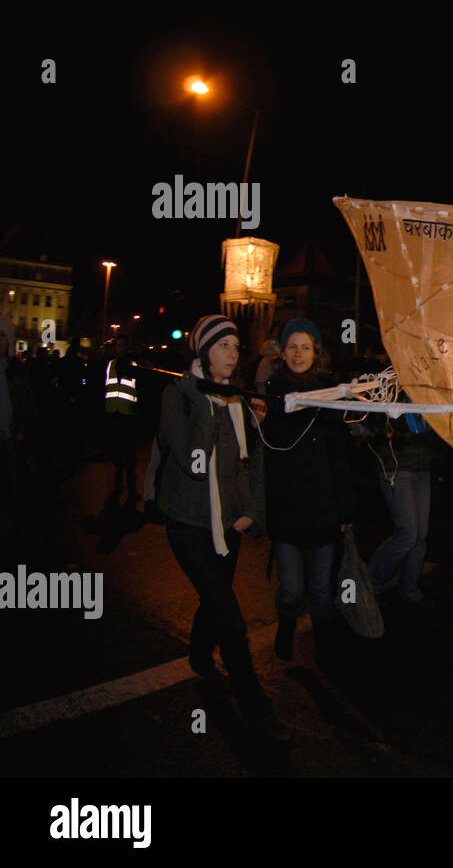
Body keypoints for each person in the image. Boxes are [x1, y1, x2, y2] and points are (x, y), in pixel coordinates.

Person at [158, 314, 289, 742]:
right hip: (188, 524)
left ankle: (198, 654)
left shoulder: (238, 400)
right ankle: (260, 715)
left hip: (228, 522)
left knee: (214, 601)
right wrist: (208, 405)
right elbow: (193, 462)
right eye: (222, 346)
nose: (233, 354)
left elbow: (252, 465)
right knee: (229, 616)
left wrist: (252, 510)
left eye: (235, 346)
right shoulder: (177, 395)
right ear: (202, 352)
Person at [261, 318, 355, 664]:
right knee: (291, 589)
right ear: (282, 352)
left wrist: (345, 512)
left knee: (320, 589)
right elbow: (265, 453)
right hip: (286, 508)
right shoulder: (270, 392)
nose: (298, 353)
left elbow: (339, 458)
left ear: (316, 352)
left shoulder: (331, 393)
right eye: (291, 346)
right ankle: (286, 625)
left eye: (305, 347)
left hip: (323, 508)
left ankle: (324, 646)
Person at [365, 392, 445, 609]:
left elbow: (436, 433)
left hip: (422, 467)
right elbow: (376, 427)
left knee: (419, 536)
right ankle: (370, 583)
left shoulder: (427, 391)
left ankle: (409, 589)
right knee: (407, 534)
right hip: (396, 469)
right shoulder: (390, 391)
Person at [0, 314, 37, 555]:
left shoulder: (16, 369)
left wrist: (22, 430)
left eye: (3, 336)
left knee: (14, 489)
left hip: (11, 437)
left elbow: (28, 404)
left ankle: (18, 540)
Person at [102, 335, 141, 507]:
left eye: (121, 346)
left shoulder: (133, 365)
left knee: (129, 455)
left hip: (128, 415)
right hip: (114, 414)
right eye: (117, 346)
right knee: (117, 452)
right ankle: (120, 485)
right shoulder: (111, 364)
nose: (119, 349)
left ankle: (131, 488)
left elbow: (138, 389)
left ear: (126, 347)